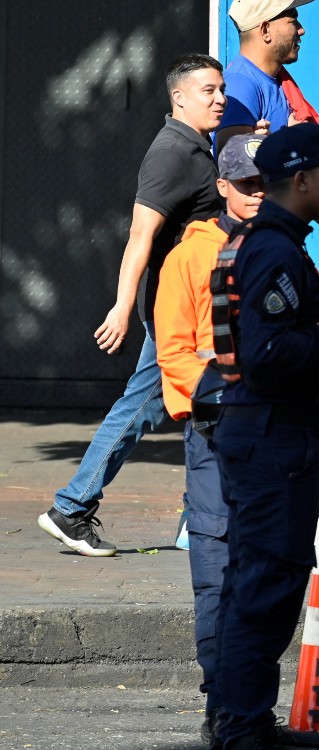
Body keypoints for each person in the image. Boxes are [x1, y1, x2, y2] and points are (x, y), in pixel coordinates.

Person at [209, 122, 319, 750]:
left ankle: (234, 717)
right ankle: (243, 727)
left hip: (268, 434)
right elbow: (269, 353)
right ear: (300, 180)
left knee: (254, 580)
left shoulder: (278, 243)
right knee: (268, 585)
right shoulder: (273, 250)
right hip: (273, 437)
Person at [38, 53, 227, 557]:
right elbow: (140, 237)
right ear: (178, 97)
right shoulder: (172, 154)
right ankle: (72, 507)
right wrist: (123, 306)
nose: (220, 98)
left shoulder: (197, 147)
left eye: (221, 89)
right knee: (144, 406)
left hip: (187, 302)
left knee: (173, 404)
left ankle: (196, 519)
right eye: (207, 91)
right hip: (171, 306)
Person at [153, 133, 265, 749]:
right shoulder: (189, 258)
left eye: (260, 183)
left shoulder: (278, 247)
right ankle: (221, 696)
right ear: (221, 185)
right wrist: (228, 384)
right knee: (218, 565)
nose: (253, 193)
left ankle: (247, 702)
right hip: (216, 429)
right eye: (243, 183)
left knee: (263, 568)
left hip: (268, 429)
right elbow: (173, 351)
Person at [216, 0, 319, 278]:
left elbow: (296, 177)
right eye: (293, 19)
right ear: (266, 29)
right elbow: (235, 174)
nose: (301, 30)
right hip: (254, 255)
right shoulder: (240, 87)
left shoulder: (279, 84)